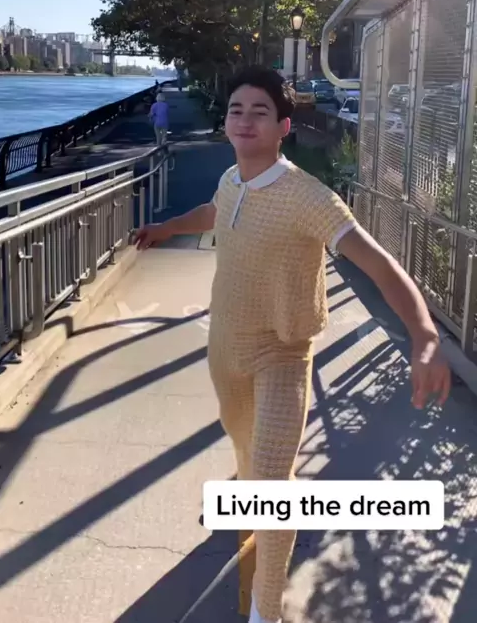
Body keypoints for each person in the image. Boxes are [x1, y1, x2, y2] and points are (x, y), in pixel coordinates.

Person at [134, 65, 451, 623]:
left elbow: (378, 263)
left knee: (274, 483)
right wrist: (167, 228)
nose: (245, 120)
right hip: (225, 349)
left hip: (283, 352)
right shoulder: (231, 180)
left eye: (259, 112)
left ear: (283, 127)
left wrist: (424, 336)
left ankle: (267, 608)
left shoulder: (309, 198)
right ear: (226, 123)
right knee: (245, 451)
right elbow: (214, 213)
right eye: (236, 110)